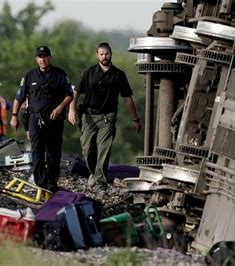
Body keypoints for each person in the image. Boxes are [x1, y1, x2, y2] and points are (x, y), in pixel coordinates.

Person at [68, 42, 141, 191]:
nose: (104, 56)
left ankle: (100, 182)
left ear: (111, 54)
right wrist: (72, 110)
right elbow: (75, 93)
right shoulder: (88, 73)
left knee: (104, 150)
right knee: (88, 151)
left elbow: (127, 98)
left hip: (107, 118)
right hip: (88, 117)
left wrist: (135, 119)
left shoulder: (119, 75)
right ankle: (94, 173)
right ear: (97, 55)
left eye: (107, 53)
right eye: (101, 54)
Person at [10, 45, 73, 192]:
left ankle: (51, 184)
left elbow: (69, 95)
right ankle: (40, 183)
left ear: (50, 58)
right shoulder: (29, 76)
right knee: (36, 152)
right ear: (36, 59)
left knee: (53, 153)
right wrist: (14, 116)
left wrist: (60, 108)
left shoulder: (60, 75)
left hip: (54, 119)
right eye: (40, 57)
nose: (42, 59)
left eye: (45, 56)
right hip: (34, 118)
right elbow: (19, 97)